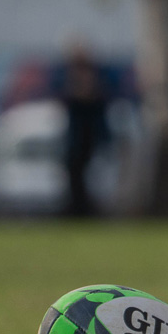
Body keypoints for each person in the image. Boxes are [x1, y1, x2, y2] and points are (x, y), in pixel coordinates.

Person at [54, 40, 111, 219]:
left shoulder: (95, 76)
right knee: (73, 172)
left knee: (86, 173)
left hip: (88, 134)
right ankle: (76, 208)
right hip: (76, 135)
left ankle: (84, 210)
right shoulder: (69, 75)